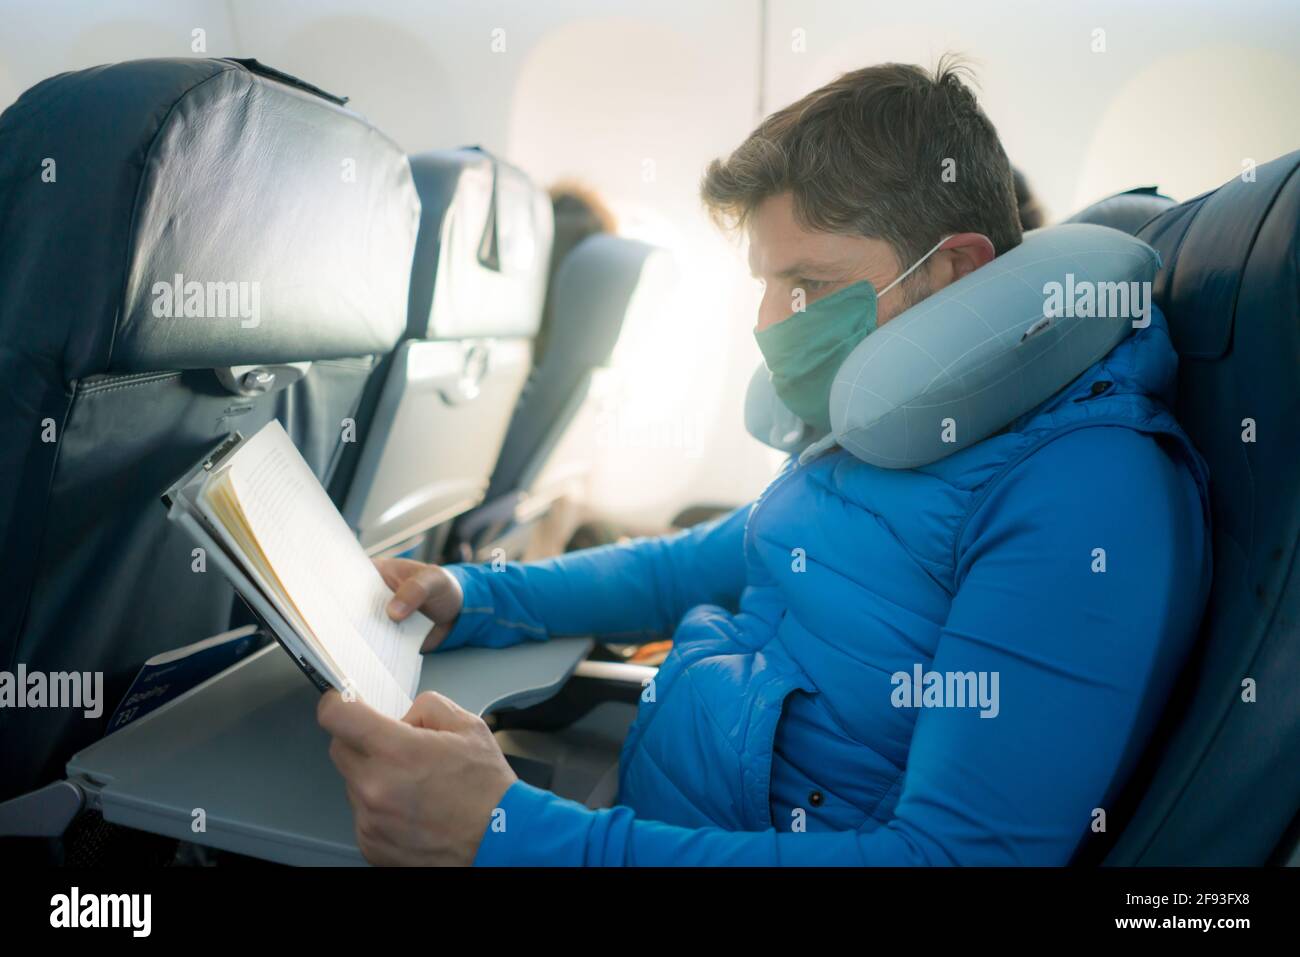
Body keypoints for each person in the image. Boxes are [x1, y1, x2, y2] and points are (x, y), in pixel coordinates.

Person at [317, 58, 1211, 866]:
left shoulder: (1085, 496)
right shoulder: (891, 423)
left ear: (949, 274)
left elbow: (949, 861)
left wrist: (517, 834)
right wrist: (474, 596)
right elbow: (696, 559)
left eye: (807, 285)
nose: (768, 322)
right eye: (764, 284)